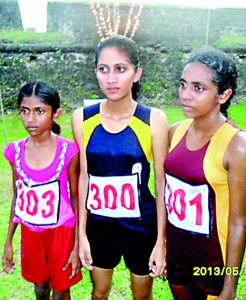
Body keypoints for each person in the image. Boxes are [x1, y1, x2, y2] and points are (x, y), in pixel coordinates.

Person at [72, 35, 168, 300]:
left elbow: (161, 184)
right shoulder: (82, 118)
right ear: (96, 73)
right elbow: (84, 178)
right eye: (104, 70)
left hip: (141, 225)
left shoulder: (154, 120)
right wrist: (81, 234)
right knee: (99, 292)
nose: (111, 79)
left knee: (142, 295)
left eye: (120, 69)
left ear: (136, 74)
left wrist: (161, 241)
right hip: (99, 225)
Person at [164, 47, 246, 300]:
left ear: (223, 95)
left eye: (198, 88)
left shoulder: (238, 147)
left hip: (212, 263)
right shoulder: (175, 132)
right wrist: (162, 246)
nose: (185, 95)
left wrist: (230, 286)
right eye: (183, 85)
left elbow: (238, 222)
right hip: (176, 255)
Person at [2, 81, 82, 299]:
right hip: (31, 233)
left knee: (61, 291)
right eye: (24, 111)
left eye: (39, 111)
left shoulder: (69, 151)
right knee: (40, 288)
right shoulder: (14, 152)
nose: (31, 119)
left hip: (62, 232)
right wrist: (8, 242)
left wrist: (77, 245)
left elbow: (76, 198)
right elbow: (18, 196)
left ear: (55, 114)